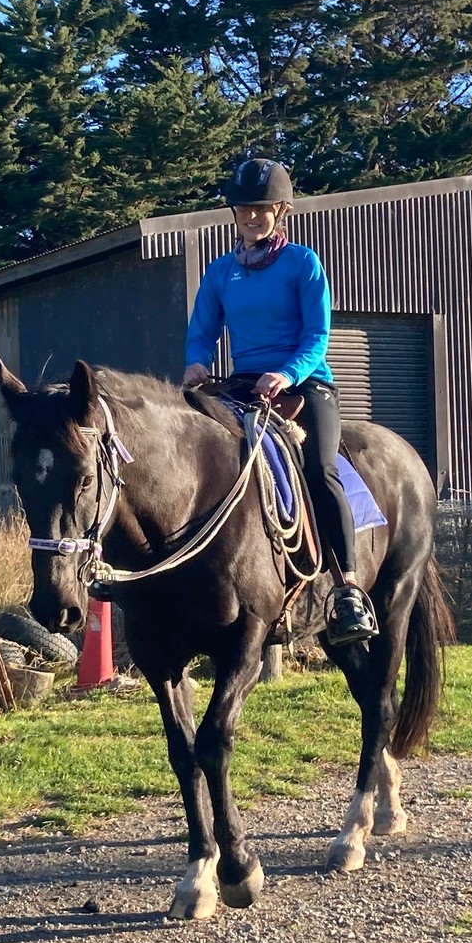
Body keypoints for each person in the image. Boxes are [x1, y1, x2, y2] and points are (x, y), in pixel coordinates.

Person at [183, 157, 377, 644]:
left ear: (281, 211)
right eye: (245, 209)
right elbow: (202, 332)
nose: (252, 217)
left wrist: (287, 372)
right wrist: (196, 363)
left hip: (307, 382)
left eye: (262, 209)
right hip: (244, 383)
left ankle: (349, 587)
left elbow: (317, 335)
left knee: (320, 468)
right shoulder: (221, 271)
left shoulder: (303, 263)